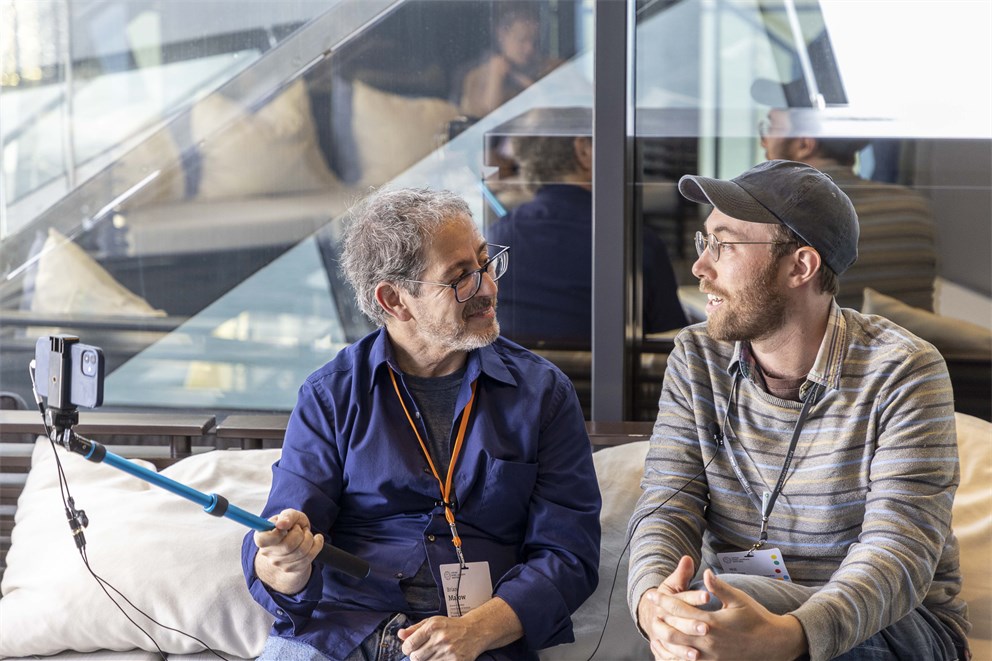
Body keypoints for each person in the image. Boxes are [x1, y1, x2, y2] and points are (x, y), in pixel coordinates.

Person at [627, 160, 970, 661]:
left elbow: (897, 556)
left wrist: (784, 636)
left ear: (799, 267)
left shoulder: (903, 370)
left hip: (897, 629)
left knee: (716, 611)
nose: (701, 268)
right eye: (705, 242)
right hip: (734, 613)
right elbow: (666, 505)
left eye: (723, 244)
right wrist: (652, 606)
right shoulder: (697, 357)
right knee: (688, 613)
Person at [242, 188, 601, 661]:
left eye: (485, 262)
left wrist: (477, 629)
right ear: (395, 299)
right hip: (343, 632)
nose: (488, 287)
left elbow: (569, 554)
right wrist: (282, 564)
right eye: (460, 278)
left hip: (474, 640)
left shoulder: (541, 393)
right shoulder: (331, 394)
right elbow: (286, 527)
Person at [487, 131, 687, 345]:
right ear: (583, 150)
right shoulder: (636, 243)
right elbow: (670, 340)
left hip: (518, 377)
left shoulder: (498, 237)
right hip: (611, 379)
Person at [757, 107, 938, 312]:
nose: (764, 141)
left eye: (771, 127)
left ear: (804, 144)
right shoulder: (914, 208)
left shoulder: (776, 216)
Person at [457, 4, 558, 119]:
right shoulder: (476, 77)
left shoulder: (550, 70)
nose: (529, 48)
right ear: (502, 34)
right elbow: (482, 122)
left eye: (534, 41)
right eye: (522, 39)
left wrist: (524, 81)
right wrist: (495, 78)